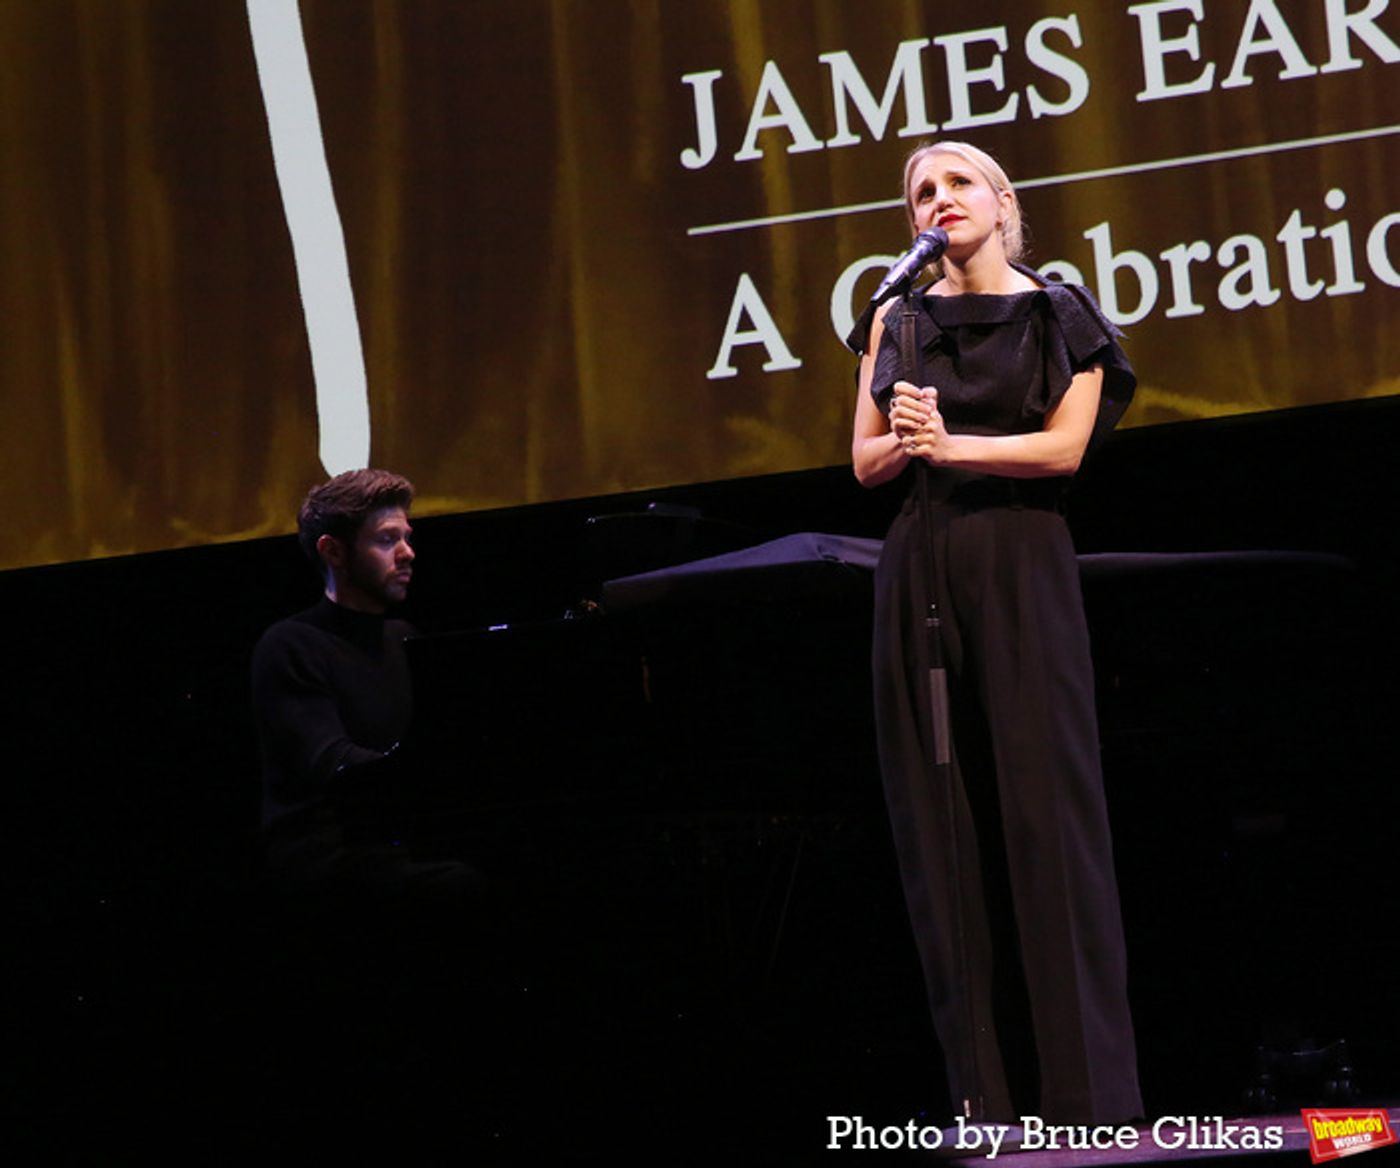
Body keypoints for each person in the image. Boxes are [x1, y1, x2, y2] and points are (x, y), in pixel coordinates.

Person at [849, 141, 1143, 1126]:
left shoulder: (1060, 311)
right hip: (919, 560)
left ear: (1001, 202)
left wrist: (948, 441)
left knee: (1044, 820)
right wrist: (901, 435)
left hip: (1020, 556)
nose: (938, 202)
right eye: (920, 193)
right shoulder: (896, 317)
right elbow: (862, 465)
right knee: (939, 824)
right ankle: (980, 1095)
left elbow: (1063, 449)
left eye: (956, 184)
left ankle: (1087, 1095)